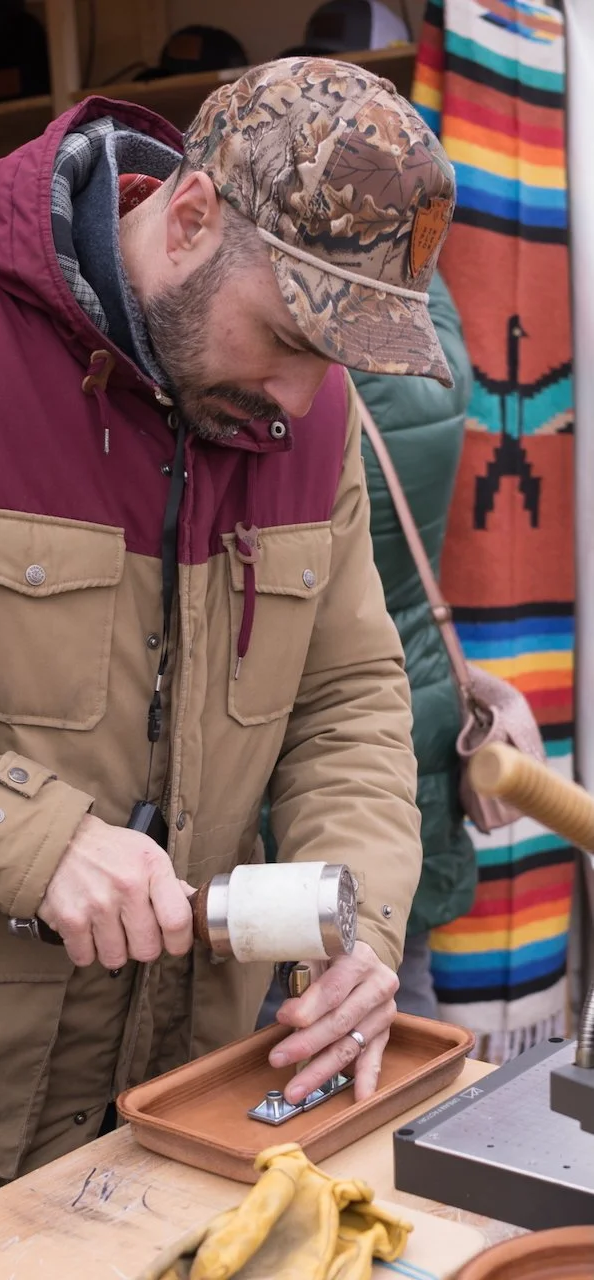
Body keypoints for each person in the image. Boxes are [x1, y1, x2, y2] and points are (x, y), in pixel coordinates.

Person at [0, 58, 455, 1269]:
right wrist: (32, 839)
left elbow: (346, 695)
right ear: (185, 221)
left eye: (334, 360)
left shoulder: (308, 411)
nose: (300, 395)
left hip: (198, 1101)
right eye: (285, 336)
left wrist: (359, 925)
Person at [354, 272, 476, 1020]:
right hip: (417, 707)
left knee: (302, 1003)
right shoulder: (442, 367)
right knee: (405, 977)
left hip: (335, 744)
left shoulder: (310, 411)